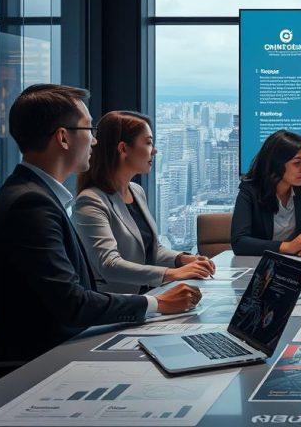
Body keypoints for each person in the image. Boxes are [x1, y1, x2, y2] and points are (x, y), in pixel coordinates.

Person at [0, 85, 201, 386]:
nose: (95, 140)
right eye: (89, 128)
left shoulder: (37, 195)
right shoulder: (30, 205)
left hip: (63, 349)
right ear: (63, 137)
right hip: (35, 371)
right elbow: (72, 304)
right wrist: (159, 304)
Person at [73, 110, 216, 294]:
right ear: (123, 149)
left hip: (150, 299)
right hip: (116, 307)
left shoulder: (137, 191)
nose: (154, 150)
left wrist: (182, 259)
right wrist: (173, 274)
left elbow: (152, 250)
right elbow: (109, 264)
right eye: (148, 142)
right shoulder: (90, 201)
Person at [231, 130, 301, 256]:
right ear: (276, 164)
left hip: (296, 266)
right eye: (297, 163)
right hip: (258, 265)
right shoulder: (250, 192)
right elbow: (239, 243)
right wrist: (287, 246)